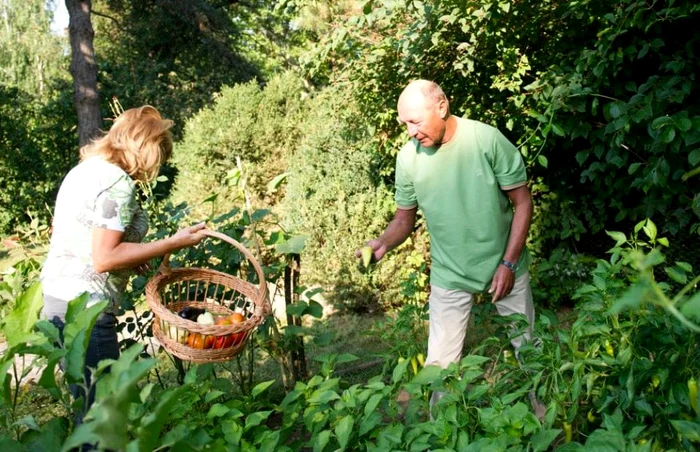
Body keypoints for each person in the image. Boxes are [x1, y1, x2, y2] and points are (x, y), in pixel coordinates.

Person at [358, 80, 537, 410]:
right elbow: (403, 220)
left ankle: (547, 423)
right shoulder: (408, 159)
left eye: (415, 121)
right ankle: (440, 432)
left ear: (441, 107)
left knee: (530, 352)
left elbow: (523, 203)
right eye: (405, 124)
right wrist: (383, 242)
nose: (411, 132)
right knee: (439, 366)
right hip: (450, 271)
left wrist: (509, 263)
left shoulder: (485, 140)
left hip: (504, 263)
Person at [40, 105, 207, 422]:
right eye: (160, 155)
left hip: (58, 304)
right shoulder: (117, 182)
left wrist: (134, 255)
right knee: (104, 424)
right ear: (146, 146)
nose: (156, 167)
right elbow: (104, 259)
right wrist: (174, 242)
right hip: (88, 311)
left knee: (86, 419)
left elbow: (80, 238)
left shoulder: (86, 170)